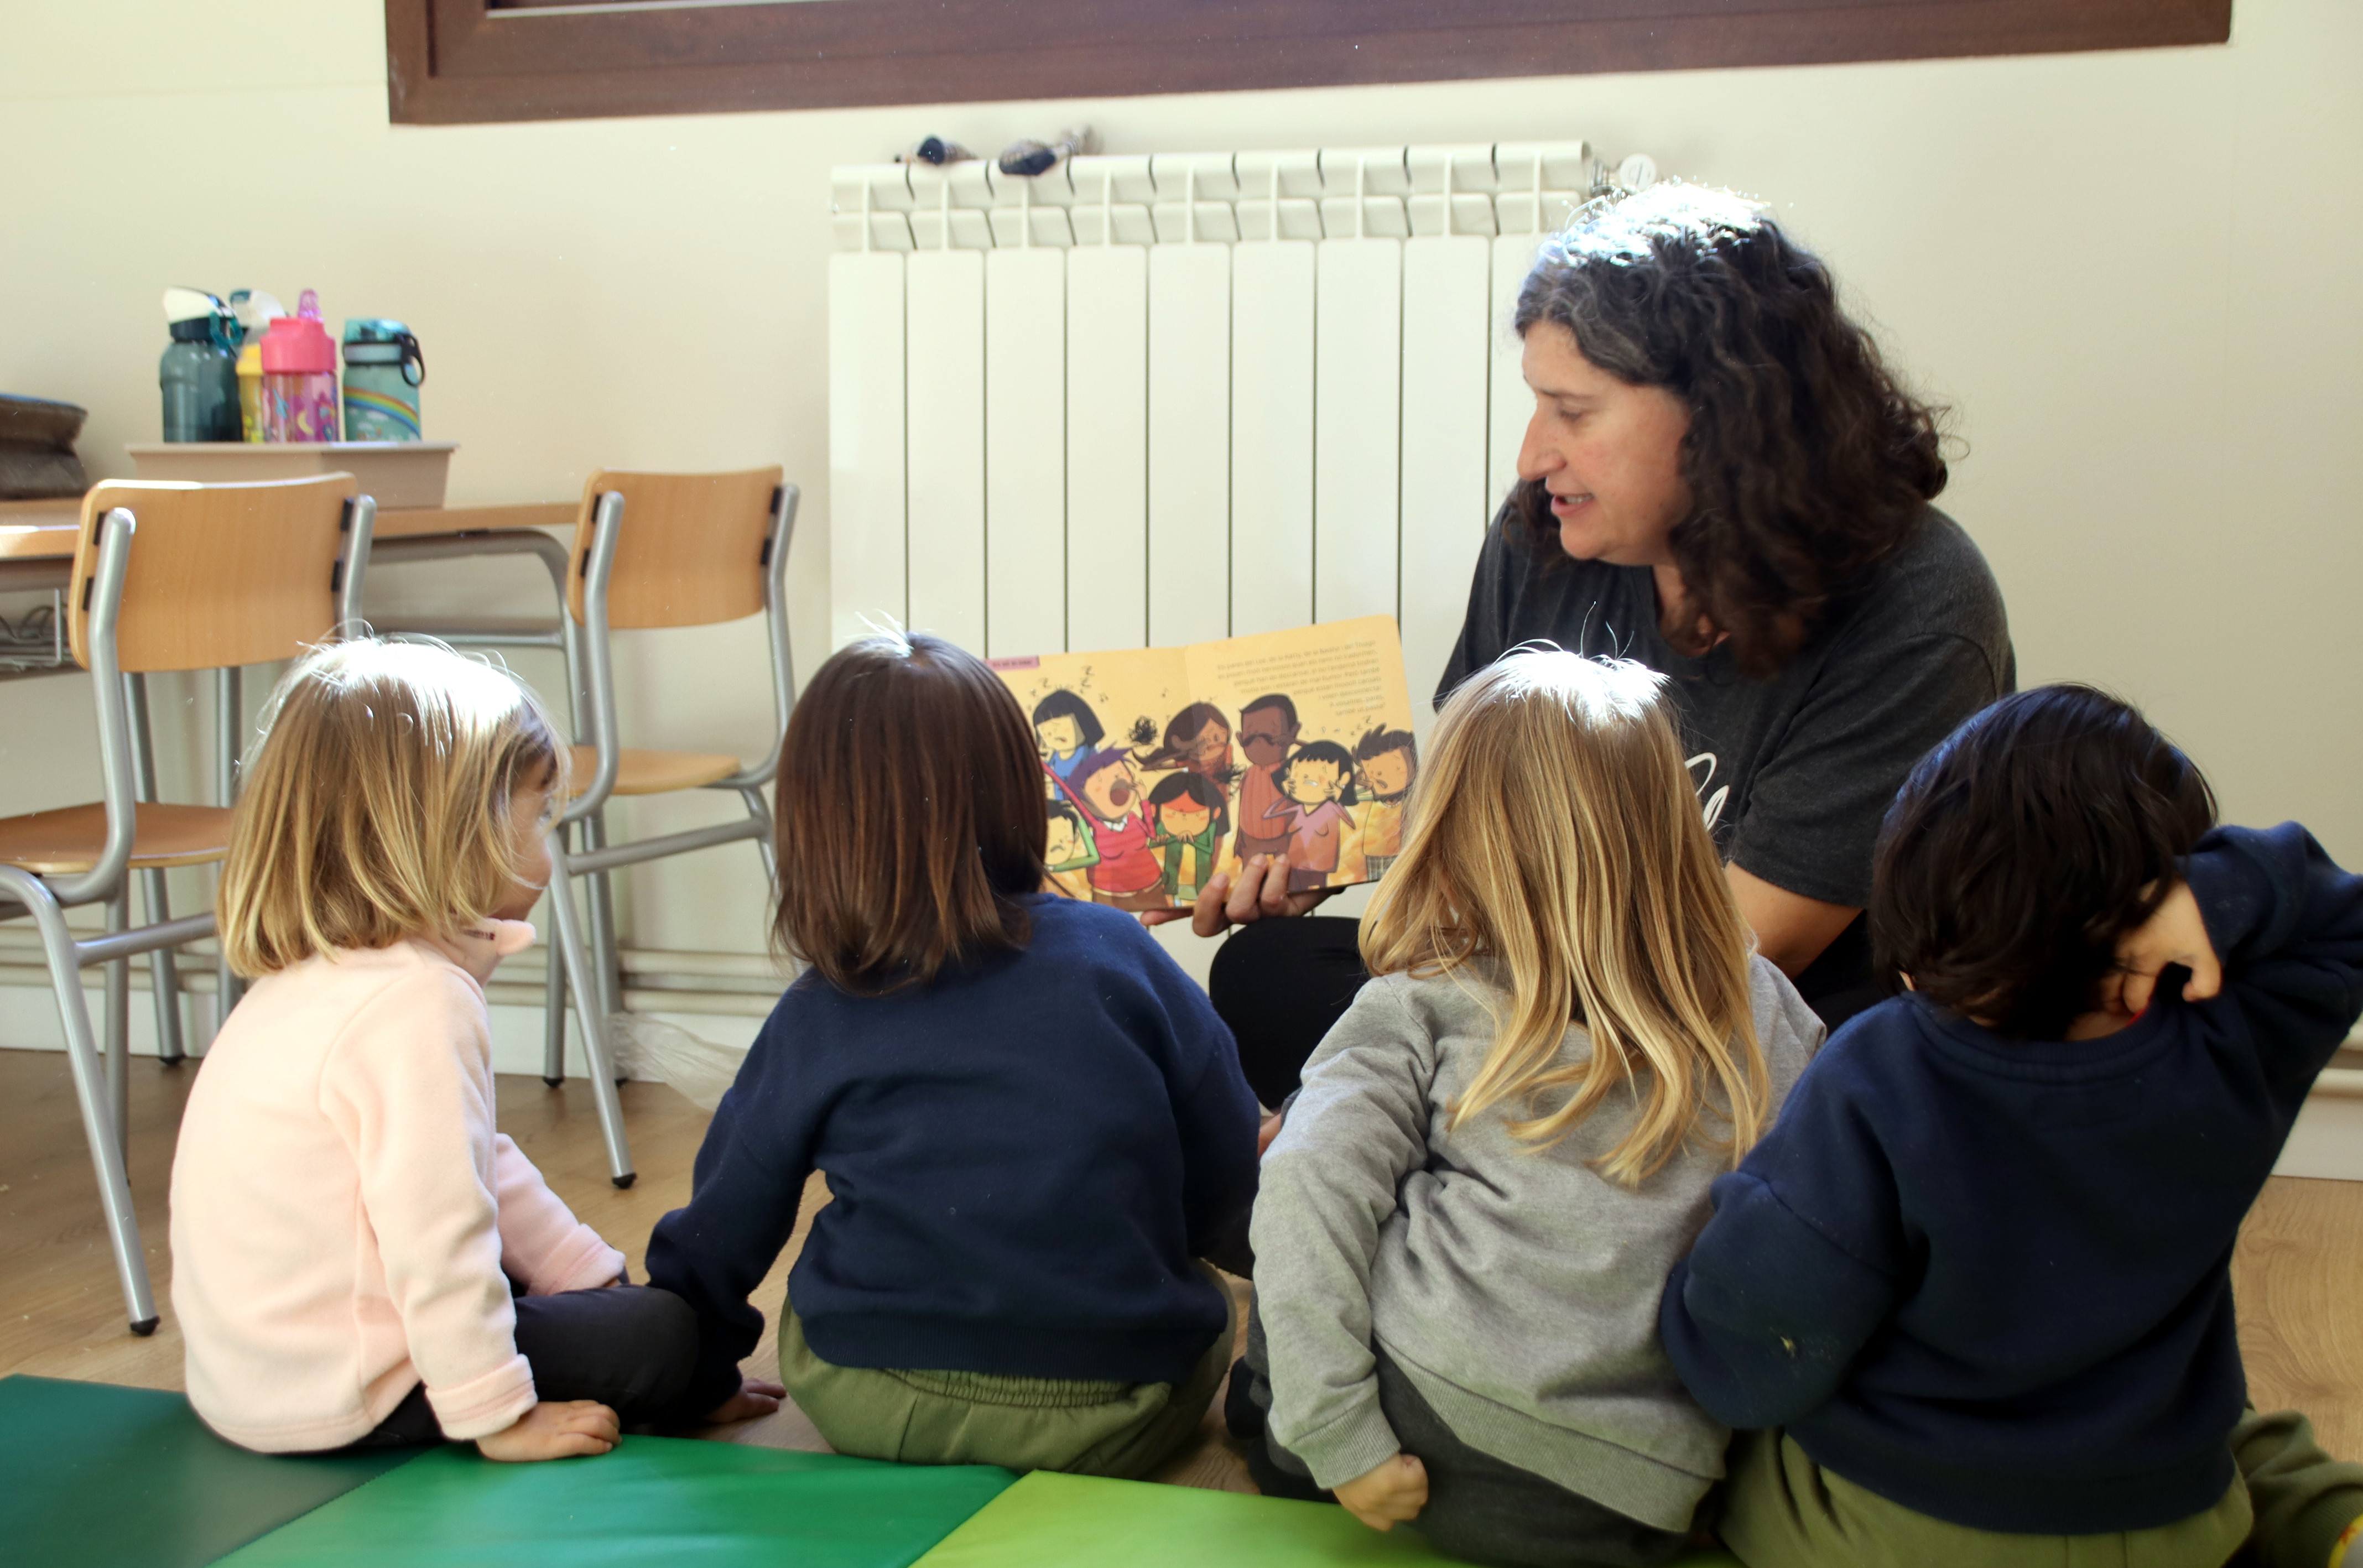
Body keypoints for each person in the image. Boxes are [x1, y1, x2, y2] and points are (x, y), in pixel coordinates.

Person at [1164, 184, 2013, 1101]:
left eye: (1573, 412)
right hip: (1545, 975)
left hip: (1745, 1023)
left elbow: (1732, 959)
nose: (1534, 454)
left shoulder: (1920, 607)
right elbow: (1461, 830)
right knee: (1268, 973)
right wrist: (1334, 862)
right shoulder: (1549, 531)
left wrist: (1422, 1041)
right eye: (1538, 406)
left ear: (1724, 417)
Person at [1659, 686, 2363, 1568]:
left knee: (1727, 1457)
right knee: (2237, 1419)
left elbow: (1758, 1339)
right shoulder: (2232, 1037)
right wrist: (2210, 895)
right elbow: (2342, 918)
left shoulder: (1882, 1069)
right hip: (2170, 1519)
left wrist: (1693, 1330)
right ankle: (2322, 1513)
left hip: (1905, 1536)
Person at [1245, 652, 1824, 1568]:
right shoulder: (1770, 1008)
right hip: (1635, 1497)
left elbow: (1306, 1182)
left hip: (1422, 1437)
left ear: (1452, 831)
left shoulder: (1427, 996)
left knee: (1299, 1190)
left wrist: (1338, 1439)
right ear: (1676, 825)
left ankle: (1284, 1423)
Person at [644, 631, 1260, 1477]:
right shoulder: (1118, 952)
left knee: (810, 1298)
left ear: (815, 824)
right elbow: (1231, 1172)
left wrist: (695, 1370)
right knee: (1218, 1311)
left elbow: (727, 1219)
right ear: (1018, 795)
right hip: (1110, 1411)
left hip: (872, 1396)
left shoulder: (819, 1007)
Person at [170, 640, 753, 1458]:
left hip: (257, 1378)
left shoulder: (323, 978)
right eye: (537, 815)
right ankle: (485, 1390)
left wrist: (587, 1275)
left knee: (615, 1310)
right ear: (454, 833)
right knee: (661, 1335)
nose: (548, 846)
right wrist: (498, 1414)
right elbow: (437, 1235)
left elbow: (477, 1160)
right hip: (348, 1388)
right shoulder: (414, 1000)